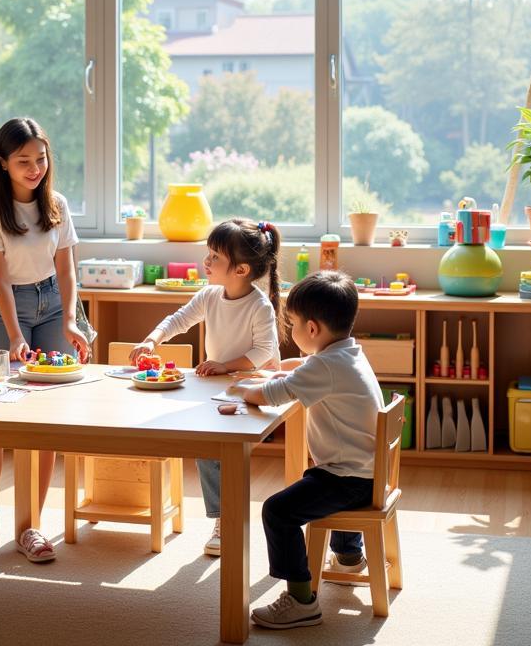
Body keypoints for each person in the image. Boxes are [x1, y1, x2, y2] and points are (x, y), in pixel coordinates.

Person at [0, 117, 90, 563]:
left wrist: (71, 320)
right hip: (5, 306)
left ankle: (29, 524)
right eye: (23, 161)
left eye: (40, 158)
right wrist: (14, 336)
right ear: (4, 163)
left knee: (45, 415)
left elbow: (68, 269)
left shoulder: (58, 204)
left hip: (53, 302)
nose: (35, 168)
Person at [238, 271, 384, 631]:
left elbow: (271, 395)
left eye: (293, 324)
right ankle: (349, 557)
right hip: (365, 473)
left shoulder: (325, 366)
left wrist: (240, 388)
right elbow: (303, 368)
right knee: (316, 478)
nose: (291, 331)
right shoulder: (346, 352)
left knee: (278, 510)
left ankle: (302, 600)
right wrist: (276, 369)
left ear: (313, 329)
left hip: (348, 480)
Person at [130, 217, 281, 556]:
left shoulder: (258, 306)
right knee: (207, 448)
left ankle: (226, 521)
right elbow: (178, 320)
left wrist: (226, 365)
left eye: (215, 257)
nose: (206, 262)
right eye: (208, 253)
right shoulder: (210, 295)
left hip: (252, 387)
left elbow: (264, 353)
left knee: (218, 449)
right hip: (220, 388)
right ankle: (224, 518)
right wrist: (152, 340)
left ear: (240, 270)